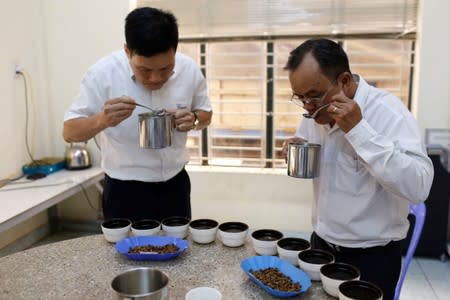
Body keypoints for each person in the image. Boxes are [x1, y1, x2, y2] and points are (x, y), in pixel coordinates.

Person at [282, 38, 433, 299]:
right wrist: (297, 145)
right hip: (320, 245)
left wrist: (359, 131)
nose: (307, 106)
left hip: (371, 258)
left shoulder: (387, 112)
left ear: (343, 81)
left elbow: (419, 186)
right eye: (300, 97)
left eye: (314, 96)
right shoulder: (315, 113)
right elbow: (309, 141)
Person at [63, 7, 212, 222]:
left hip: (175, 185)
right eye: (145, 70)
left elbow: (206, 113)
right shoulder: (102, 74)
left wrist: (195, 119)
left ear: (175, 50)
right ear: (127, 51)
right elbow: (69, 132)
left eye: (165, 69)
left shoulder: (189, 69)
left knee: (178, 250)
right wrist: (102, 119)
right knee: (127, 253)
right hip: (125, 191)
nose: (155, 78)